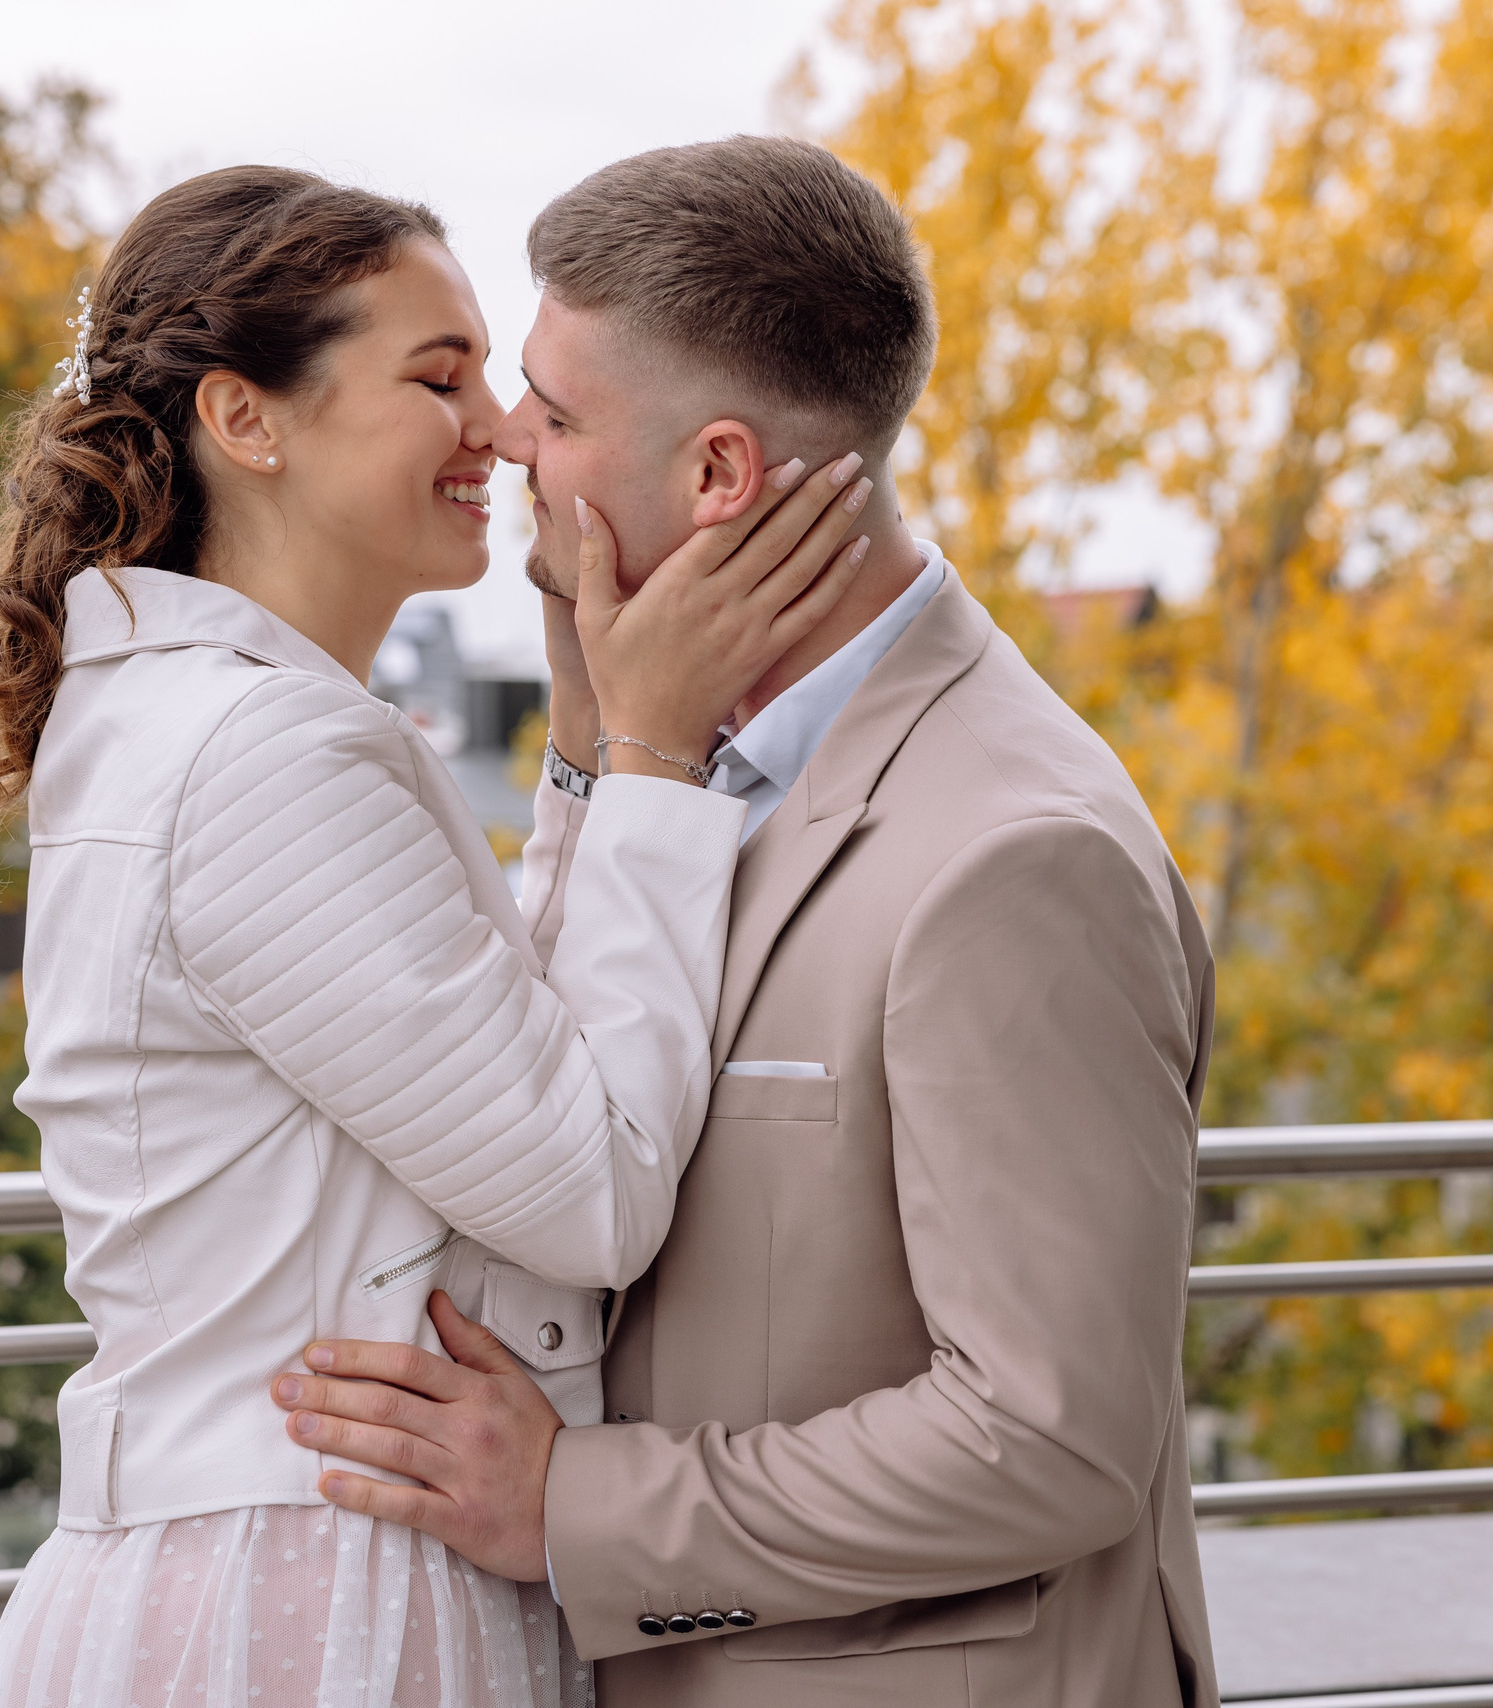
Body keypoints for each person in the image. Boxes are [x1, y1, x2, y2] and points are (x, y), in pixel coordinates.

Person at [265, 137, 1221, 1707]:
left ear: (715, 475)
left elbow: (1051, 1439)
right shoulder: (685, 743)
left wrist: (573, 1505)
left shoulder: (1012, 854)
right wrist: (590, 740)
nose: (505, 439)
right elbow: (576, 1100)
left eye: (557, 413)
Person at [0, 165, 873, 1708]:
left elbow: (499, 1064)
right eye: (440, 378)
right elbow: (593, 1189)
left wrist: (585, 758)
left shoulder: (220, 721)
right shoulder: (258, 755)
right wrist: (656, 755)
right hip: (317, 1609)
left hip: (292, 1574)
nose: (503, 432)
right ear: (248, 420)